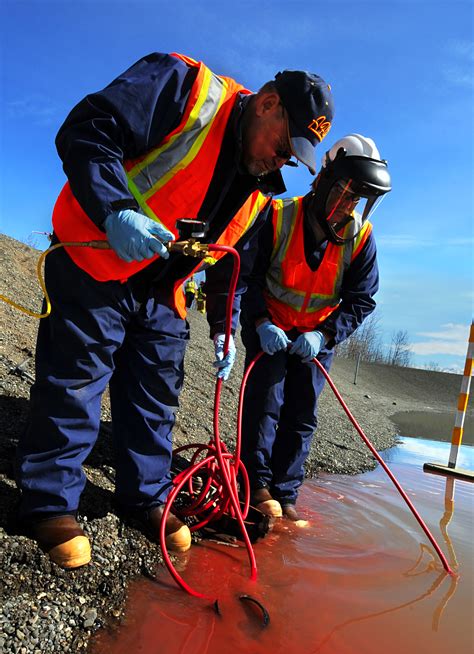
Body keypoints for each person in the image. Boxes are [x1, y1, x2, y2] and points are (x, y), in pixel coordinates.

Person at [15, 51, 334, 567]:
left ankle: (145, 497)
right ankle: (49, 502)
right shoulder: (187, 89)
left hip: (164, 291)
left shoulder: (258, 185)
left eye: (292, 158)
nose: (283, 162)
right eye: (283, 146)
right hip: (98, 255)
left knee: (156, 396)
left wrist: (224, 329)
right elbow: (88, 129)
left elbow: (231, 260)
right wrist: (116, 210)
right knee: (76, 381)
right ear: (268, 104)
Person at [239, 134, 391, 522]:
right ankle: (256, 487)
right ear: (323, 179)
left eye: (355, 199)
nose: (346, 206)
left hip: (314, 340)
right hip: (270, 328)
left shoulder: (361, 238)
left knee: (301, 415)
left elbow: (361, 299)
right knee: (264, 407)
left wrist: (324, 335)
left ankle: (286, 494)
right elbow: (249, 277)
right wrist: (260, 321)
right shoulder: (277, 215)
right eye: (342, 193)